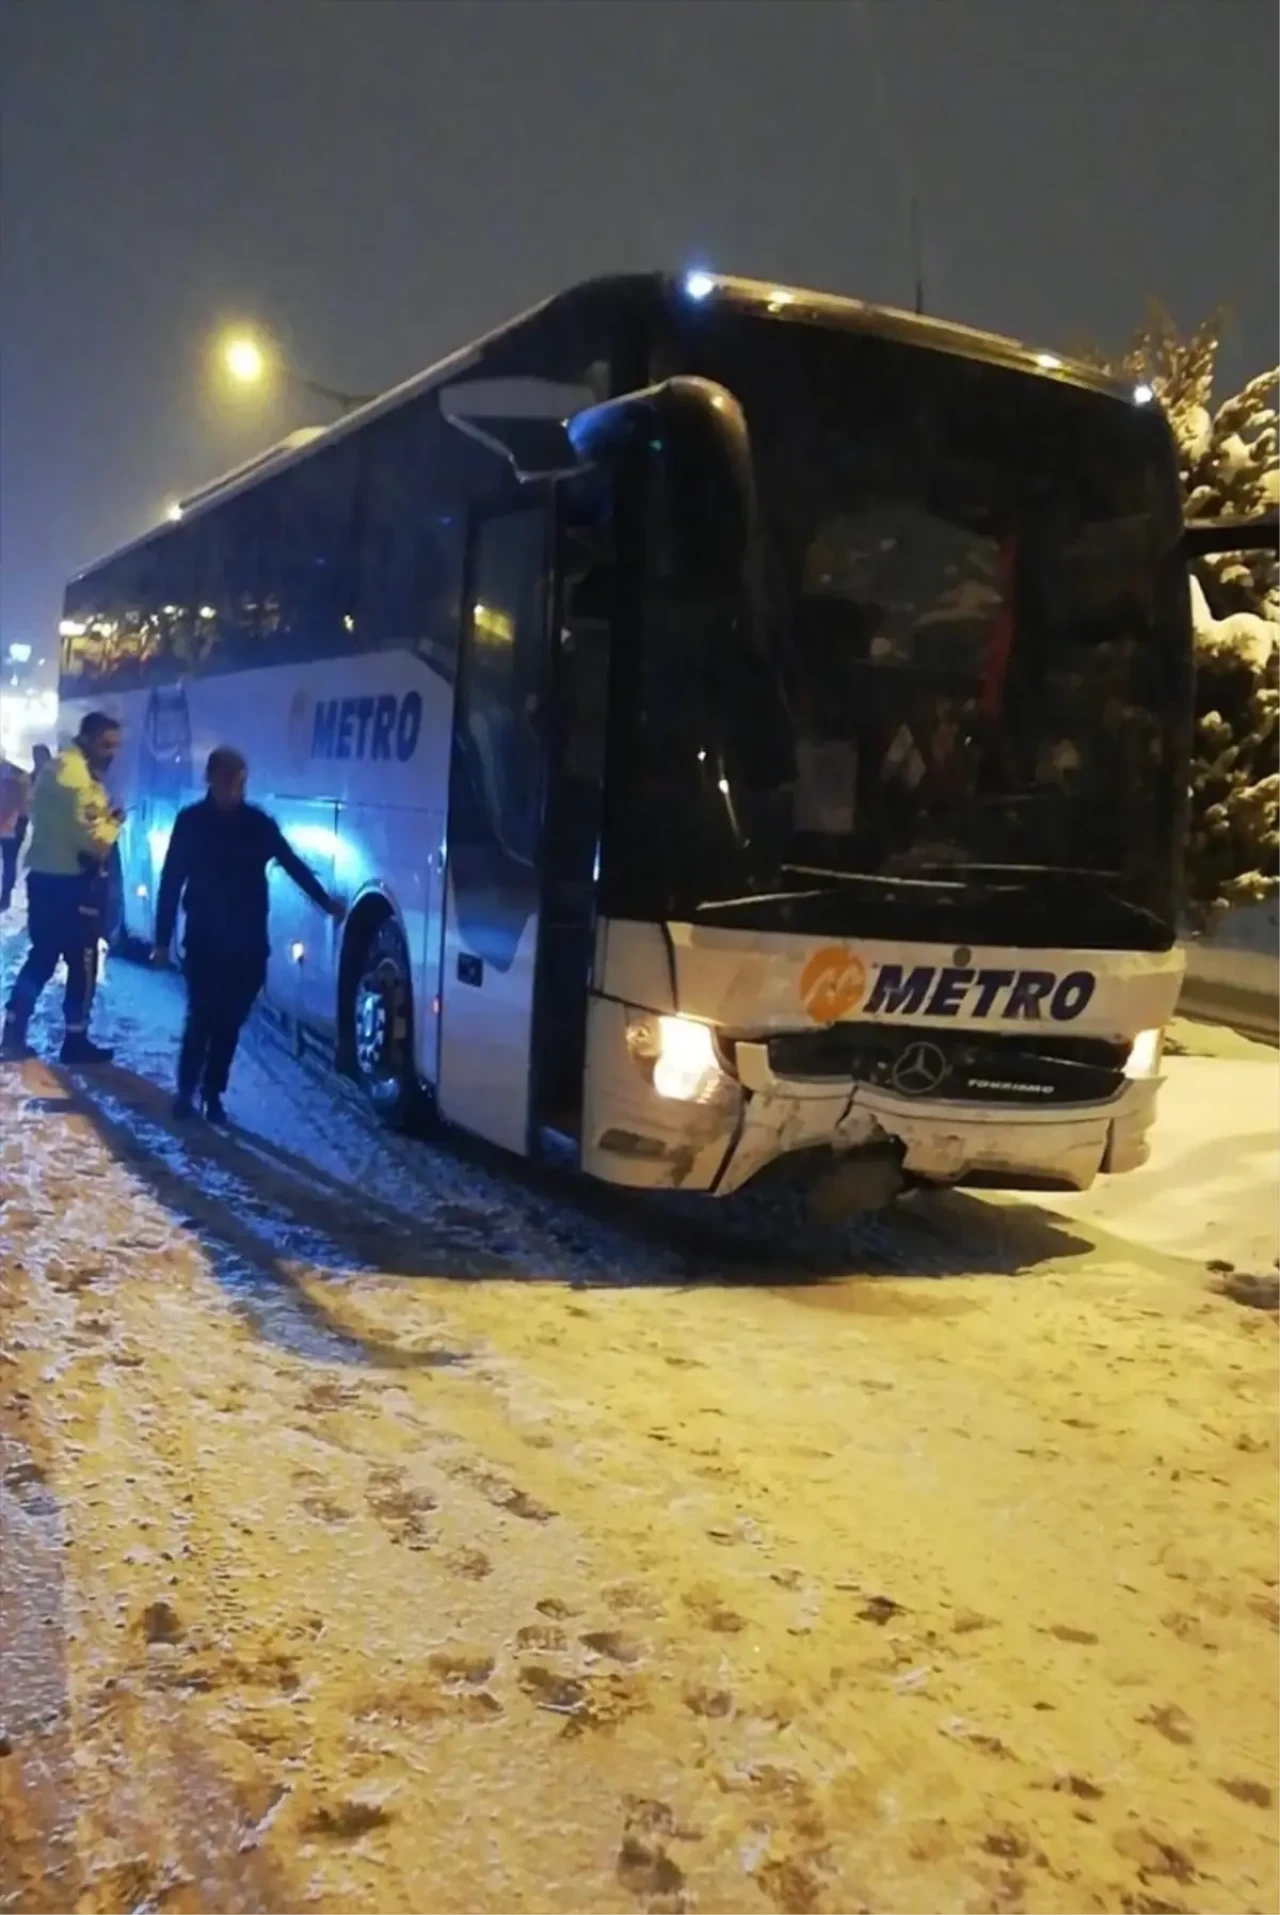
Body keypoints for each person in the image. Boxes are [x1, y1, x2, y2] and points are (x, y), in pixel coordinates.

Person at [154, 746, 345, 1122]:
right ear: (211, 778)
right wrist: (162, 940)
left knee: (229, 1021)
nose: (233, 787)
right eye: (227, 779)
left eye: (239, 780)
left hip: (247, 943)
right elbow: (171, 880)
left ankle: (212, 1091)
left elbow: (291, 863)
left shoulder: (257, 824)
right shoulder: (191, 822)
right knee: (202, 1016)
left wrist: (326, 902)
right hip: (205, 938)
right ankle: (189, 1091)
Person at [2, 712, 123, 1063]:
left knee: (42, 956)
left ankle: (14, 1028)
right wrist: (113, 822)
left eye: (115, 746)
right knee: (82, 961)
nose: (111, 753)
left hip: (46, 880)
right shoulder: (76, 780)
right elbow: (95, 841)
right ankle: (74, 1040)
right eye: (106, 744)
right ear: (86, 738)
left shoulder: (61, 769)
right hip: (70, 885)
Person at [0, 753, 31, 913]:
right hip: (12, 822)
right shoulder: (18, 774)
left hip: (12, 823)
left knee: (9, 859)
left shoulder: (15, 775)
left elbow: (21, 803)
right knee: (9, 860)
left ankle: (6, 896)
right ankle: (6, 896)